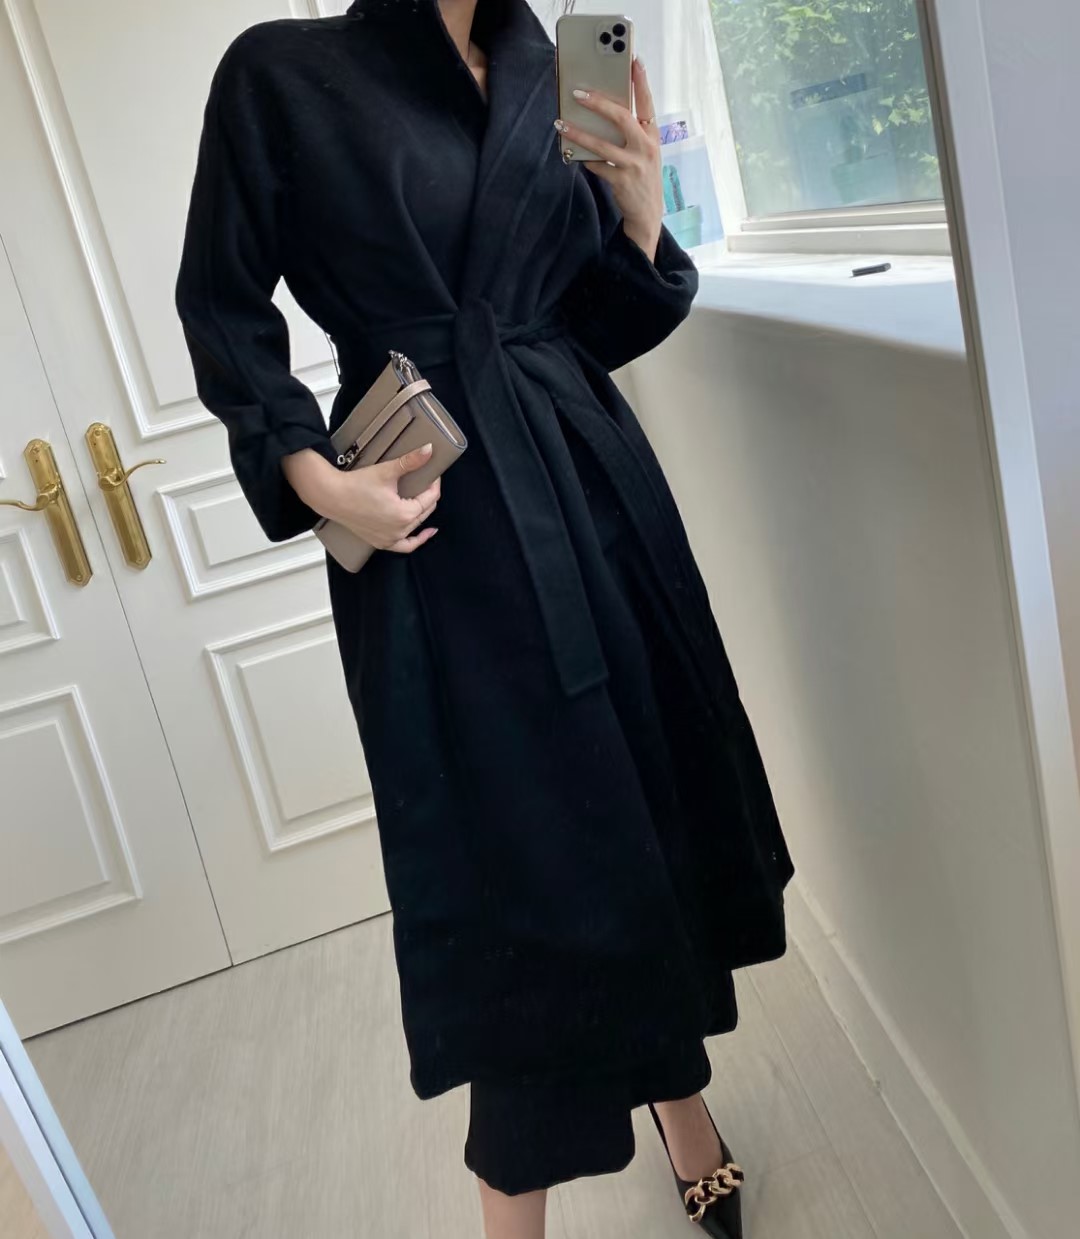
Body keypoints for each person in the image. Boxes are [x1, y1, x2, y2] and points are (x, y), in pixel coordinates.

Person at [175, 2, 795, 1236]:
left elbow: (577, 325)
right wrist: (315, 477)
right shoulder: (283, 74)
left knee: (638, 807)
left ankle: (684, 1112)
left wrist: (638, 216)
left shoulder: (551, 64)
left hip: (593, 489)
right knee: (517, 863)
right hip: (439, 520)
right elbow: (221, 302)